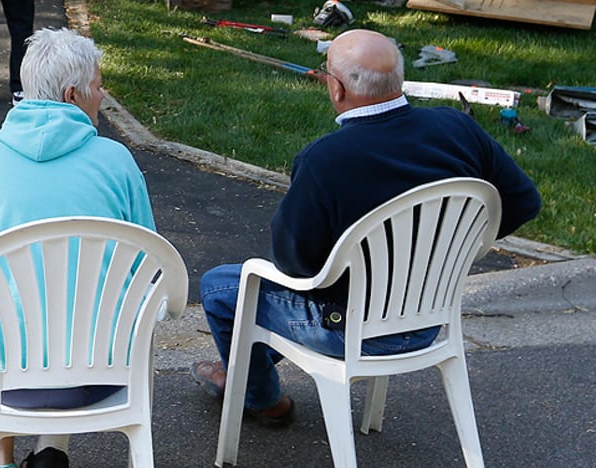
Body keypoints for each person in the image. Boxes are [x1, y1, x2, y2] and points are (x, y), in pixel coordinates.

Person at [194, 29, 541, 429]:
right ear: (399, 81)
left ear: (336, 89)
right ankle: (235, 372)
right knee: (254, 297)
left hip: (350, 330)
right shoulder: (458, 129)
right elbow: (524, 202)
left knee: (223, 288)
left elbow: (295, 268)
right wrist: (456, 250)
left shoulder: (324, 160)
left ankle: (261, 399)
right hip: (428, 320)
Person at [0, 25, 156, 468]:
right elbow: (147, 264)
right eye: (98, 85)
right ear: (73, 94)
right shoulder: (118, 163)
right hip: (101, 369)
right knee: (70, 310)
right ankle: (52, 450)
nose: (102, 96)